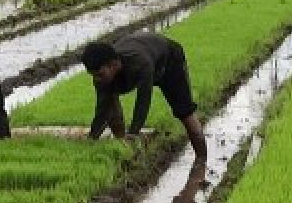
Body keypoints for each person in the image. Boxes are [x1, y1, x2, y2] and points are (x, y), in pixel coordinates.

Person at [81, 33, 206, 162]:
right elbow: (102, 109)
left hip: (169, 61)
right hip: (142, 58)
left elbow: (143, 101)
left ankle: (201, 160)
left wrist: (134, 132)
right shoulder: (102, 78)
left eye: (100, 74)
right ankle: (124, 149)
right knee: (110, 104)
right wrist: (91, 139)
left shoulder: (140, 63)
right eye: (93, 75)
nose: (97, 79)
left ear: (112, 64)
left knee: (185, 112)